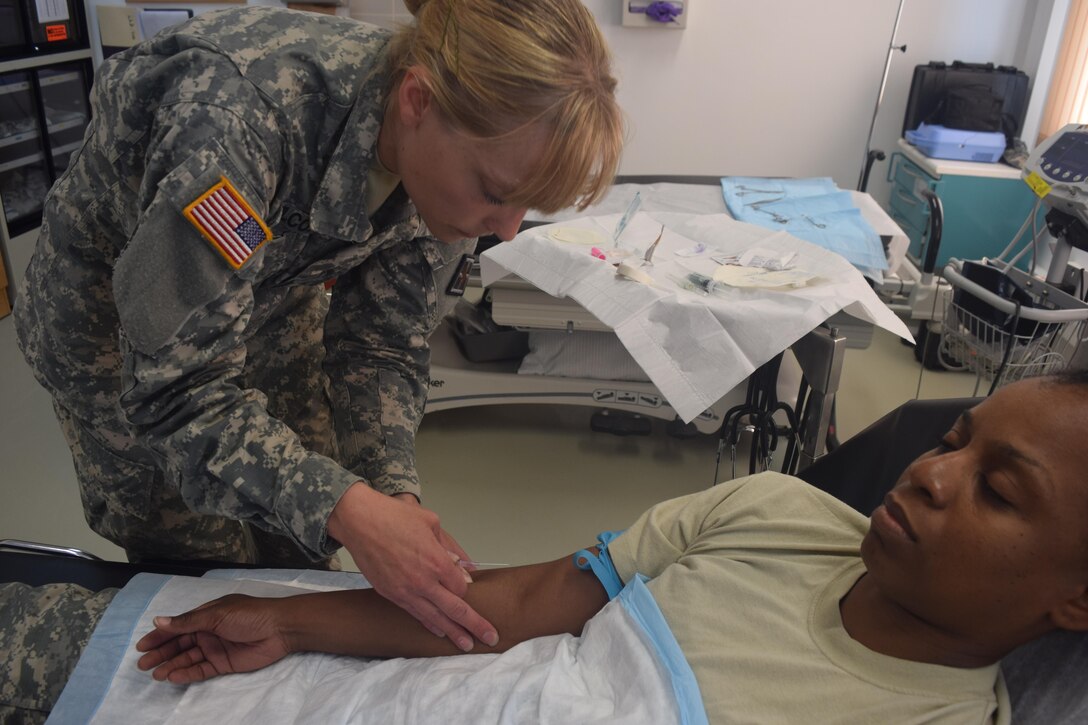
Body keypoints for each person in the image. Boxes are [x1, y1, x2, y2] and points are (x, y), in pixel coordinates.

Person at [10, 0, 623, 652]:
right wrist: (346, 509)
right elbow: (174, 390)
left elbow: (381, 343)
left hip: (276, 293)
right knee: (202, 569)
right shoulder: (235, 126)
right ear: (417, 100)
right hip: (118, 335)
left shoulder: (444, 159)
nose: (505, 228)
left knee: (306, 552)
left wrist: (391, 499)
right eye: (497, 194)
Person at [3, 372, 1088, 723]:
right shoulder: (772, 513)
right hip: (424, 690)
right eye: (952, 436)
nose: (928, 469)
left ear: (1073, 597)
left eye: (995, 489)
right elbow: (517, 604)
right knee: (88, 643)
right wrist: (288, 618)